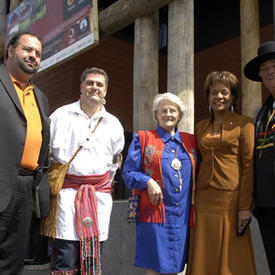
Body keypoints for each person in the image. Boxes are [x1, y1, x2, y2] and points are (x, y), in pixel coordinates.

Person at [48, 67, 125, 274]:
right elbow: (47, 154)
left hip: (97, 200)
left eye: (99, 84)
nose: (94, 88)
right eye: (90, 83)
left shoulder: (114, 124)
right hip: (66, 198)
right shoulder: (60, 116)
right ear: (81, 87)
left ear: (106, 90)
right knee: (64, 257)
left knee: (92, 259)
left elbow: (114, 164)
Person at [187, 71, 256, 275]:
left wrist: (245, 207)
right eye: (214, 92)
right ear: (208, 97)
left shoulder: (245, 124)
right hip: (204, 198)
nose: (219, 97)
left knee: (232, 255)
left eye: (224, 92)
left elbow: (248, 167)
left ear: (233, 96)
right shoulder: (200, 127)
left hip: (231, 199)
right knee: (204, 250)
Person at [122, 92, 197, 275]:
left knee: (177, 266)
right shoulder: (144, 138)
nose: (168, 114)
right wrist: (147, 181)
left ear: (179, 115)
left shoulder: (191, 141)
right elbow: (128, 173)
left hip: (182, 215)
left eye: (173, 110)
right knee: (156, 265)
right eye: (163, 110)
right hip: (155, 213)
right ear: (156, 115)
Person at [0, 31, 50, 275]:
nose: (34, 56)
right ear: (10, 51)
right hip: (1, 181)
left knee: (13, 260)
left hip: (25, 187)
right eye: (28, 50)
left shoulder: (40, 96)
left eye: (38, 54)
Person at [244, 41, 275, 274]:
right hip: (266, 203)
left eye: (274, 65)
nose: (270, 71)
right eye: (264, 68)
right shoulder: (262, 112)